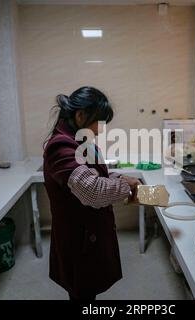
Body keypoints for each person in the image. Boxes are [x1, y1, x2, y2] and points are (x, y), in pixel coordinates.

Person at [43, 86, 140, 300]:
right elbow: (93, 191)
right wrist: (128, 186)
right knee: (82, 292)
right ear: (80, 115)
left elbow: (95, 175)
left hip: (89, 232)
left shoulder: (79, 141)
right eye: (101, 122)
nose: (101, 129)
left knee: (87, 290)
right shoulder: (60, 147)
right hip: (79, 238)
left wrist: (120, 179)